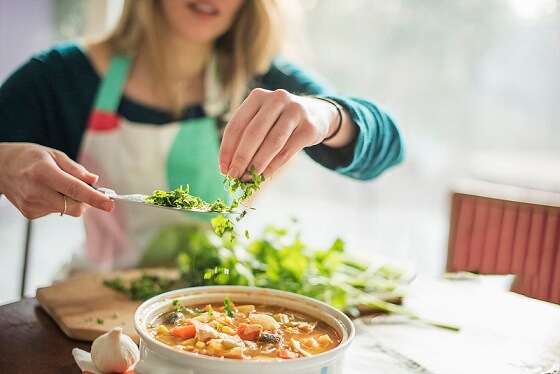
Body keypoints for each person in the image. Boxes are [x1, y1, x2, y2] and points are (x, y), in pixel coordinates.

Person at [0, 0, 403, 271]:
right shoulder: (63, 77)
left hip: (223, 310)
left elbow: (391, 145)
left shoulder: (263, 76)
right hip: (97, 305)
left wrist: (327, 115)